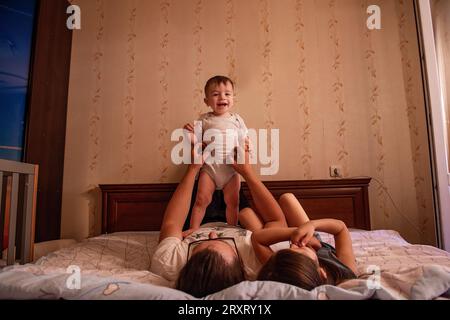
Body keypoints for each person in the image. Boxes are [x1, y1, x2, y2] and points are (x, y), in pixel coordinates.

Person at [150, 144, 287, 297]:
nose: (213, 235)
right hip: (237, 220)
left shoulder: (168, 263)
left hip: (197, 222)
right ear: (240, 267)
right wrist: (248, 173)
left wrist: (192, 169)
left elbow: (172, 223)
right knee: (246, 211)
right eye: (223, 243)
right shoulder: (255, 264)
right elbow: (276, 220)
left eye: (199, 246)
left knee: (205, 177)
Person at [183, 75, 249, 235]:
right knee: (201, 200)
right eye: (215, 94)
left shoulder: (237, 119)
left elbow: (244, 139)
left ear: (233, 98)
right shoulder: (204, 119)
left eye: (227, 94)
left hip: (231, 170)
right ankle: (194, 228)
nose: (222, 97)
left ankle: (232, 228)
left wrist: (247, 149)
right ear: (206, 101)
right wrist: (187, 133)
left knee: (233, 202)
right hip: (210, 169)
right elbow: (195, 140)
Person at [252, 193, 358, 290]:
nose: (293, 245)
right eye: (300, 250)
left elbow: (257, 239)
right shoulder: (344, 274)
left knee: (248, 214)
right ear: (322, 272)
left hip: (305, 239)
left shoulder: (281, 271)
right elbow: (341, 229)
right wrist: (312, 225)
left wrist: (294, 232)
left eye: (288, 250)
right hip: (314, 240)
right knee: (287, 198)